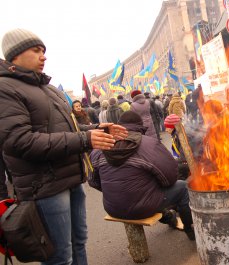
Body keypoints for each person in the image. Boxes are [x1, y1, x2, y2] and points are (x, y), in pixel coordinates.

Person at [0, 28, 128, 265]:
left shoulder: (48, 89)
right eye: (36, 50)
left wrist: (96, 130)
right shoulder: (5, 88)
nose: (44, 56)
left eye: (44, 51)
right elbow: (20, 141)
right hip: (45, 187)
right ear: (15, 55)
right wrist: (84, 141)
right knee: (60, 257)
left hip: (71, 179)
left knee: (79, 243)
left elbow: (67, 131)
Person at [90, 111, 195, 240]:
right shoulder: (149, 144)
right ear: (140, 126)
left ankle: (170, 218)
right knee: (183, 187)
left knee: (146, 193)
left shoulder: (100, 147)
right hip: (143, 207)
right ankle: (190, 230)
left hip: (112, 207)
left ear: (119, 125)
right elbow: (171, 177)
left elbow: (93, 182)